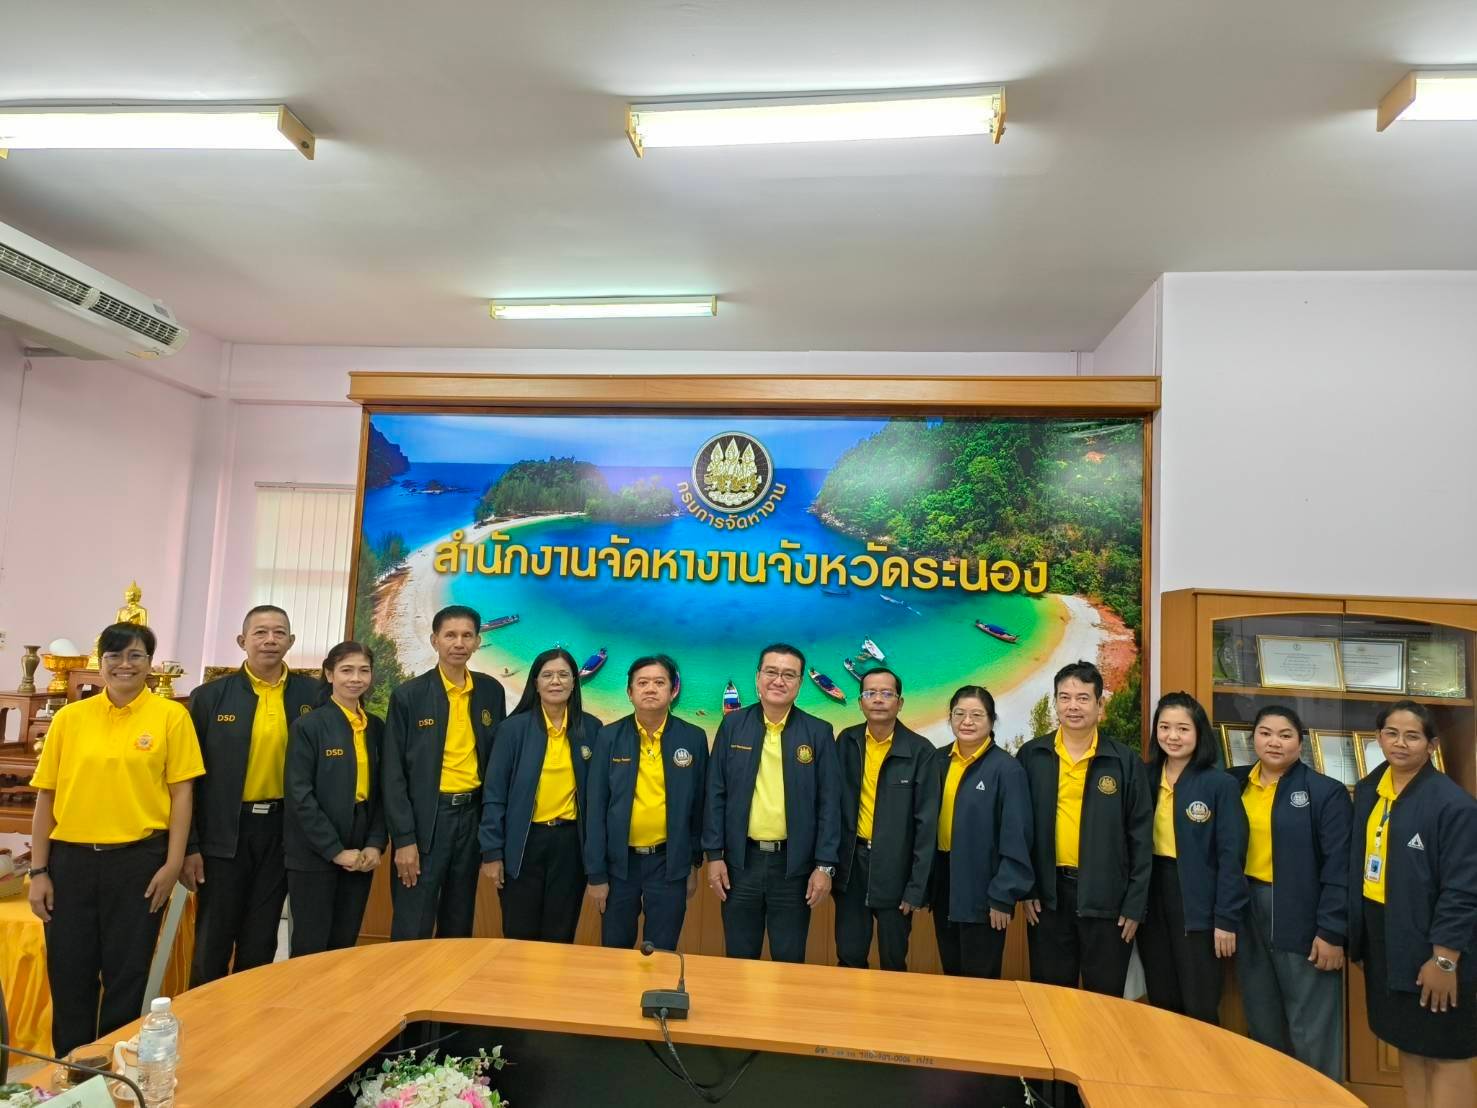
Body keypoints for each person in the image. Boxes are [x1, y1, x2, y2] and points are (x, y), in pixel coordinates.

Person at [27, 623, 204, 1056]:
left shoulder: (171, 717)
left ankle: (114, 1067)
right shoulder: (70, 718)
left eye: (136, 655)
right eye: (115, 656)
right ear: (100, 662)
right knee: (69, 972)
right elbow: (46, 797)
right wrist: (39, 870)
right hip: (71, 863)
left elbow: (182, 795)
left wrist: (172, 863)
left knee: (127, 975)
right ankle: (71, 1069)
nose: (125, 664)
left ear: (150, 663)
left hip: (138, 862)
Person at [184, 605, 321, 985]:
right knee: (213, 938)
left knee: (261, 940)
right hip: (224, 834)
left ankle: (249, 1015)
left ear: (291, 641)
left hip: (282, 832)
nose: (270, 640)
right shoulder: (209, 697)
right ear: (242, 641)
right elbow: (186, 779)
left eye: (279, 633)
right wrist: (190, 845)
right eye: (260, 632)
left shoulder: (313, 695)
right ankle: (202, 1016)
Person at [1349, 701, 1477, 1108]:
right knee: (1407, 1041)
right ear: (1378, 737)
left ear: (1432, 745)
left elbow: (1463, 890)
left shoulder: (1453, 805)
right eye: (1391, 733)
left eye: (1412, 736)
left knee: (1447, 1050)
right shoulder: (1370, 790)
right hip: (1386, 937)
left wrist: (1444, 960)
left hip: (1434, 946)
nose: (1400, 743)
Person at [1228, 704, 1350, 1081]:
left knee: (1311, 1027)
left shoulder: (1325, 792)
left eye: (1285, 735)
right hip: (1246, 908)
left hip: (1301, 913)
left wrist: (1332, 930)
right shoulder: (1233, 784)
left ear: (1301, 742)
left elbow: (1339, 867)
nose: (1274, 742)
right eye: (1265, 733)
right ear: (1252, 738)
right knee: (1261, 1018)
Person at [1018, 660, 1151, 996]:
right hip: (1048, 900)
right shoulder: (1032, 755)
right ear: (1055, 702)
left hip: (1109, 903)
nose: (1072, 706)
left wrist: (1135, 905)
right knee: (1050, 999)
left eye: (1082, 698)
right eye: (1064, 697)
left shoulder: (1124, 761)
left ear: (1099, 704)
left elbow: (1140, 837)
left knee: (1103, 1003)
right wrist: (1027, 889)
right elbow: (1018, 831)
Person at [703, 643, 840, 963]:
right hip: (739, 864)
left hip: (794, 868)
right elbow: (715, 793)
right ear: (757, 678)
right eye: (771, 672)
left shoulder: (818, 732)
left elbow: (830, 804)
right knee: (739, 958)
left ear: (800, 683)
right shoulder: (733, 725)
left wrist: (824, 866)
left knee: (789, 961)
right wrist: (714, 856)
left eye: (789, 675)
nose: (779, 680)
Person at [382, 605, 506, 940]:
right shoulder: (409, 696)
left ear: (478, 641)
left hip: (471, 819)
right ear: (434, 640)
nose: (459, 643)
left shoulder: (490, 691)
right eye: (450, 635)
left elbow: (498, 764)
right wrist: (404, 840)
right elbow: (392, 773)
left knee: (458, 919)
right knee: (413, 922)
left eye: (467, 635)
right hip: (427, 821)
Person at [584, 655, 707, 951]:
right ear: (630, 692)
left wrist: (693, 864)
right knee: (615, 949)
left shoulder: (693, 738)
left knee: (662, 950)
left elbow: (699, 807)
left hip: (669, 864)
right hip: (619, 866)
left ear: (673, 690)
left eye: (659, 682)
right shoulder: (609, 737)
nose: (650, 689)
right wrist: (596, 874)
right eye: (642, 683)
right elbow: (595, 808)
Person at [1138, 692, 1248, 1024]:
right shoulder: (1144, 777)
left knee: (1200, 1004)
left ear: (1199, 733)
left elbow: (1231, 856)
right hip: (1151, 897)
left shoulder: (1219, 784)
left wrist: (1225, 918)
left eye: (1183, 729)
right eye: (1164, 727)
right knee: (1161, 998)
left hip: (1198, 903)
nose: (1172, 736)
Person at [481, 648, 603, 942]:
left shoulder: (592, 729)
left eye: (563, 675)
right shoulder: (512, 730)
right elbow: (494, 794)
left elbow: (600, 799)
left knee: (560, 933)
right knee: (519, 932)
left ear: (574, 682)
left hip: (570, 846)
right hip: (523, 844)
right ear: (535, 683)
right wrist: (492, 852)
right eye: (547, 675)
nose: (555, 681)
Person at [833, 667, 940, 972]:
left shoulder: (921, 751)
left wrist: (916, 887)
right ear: (860, 702)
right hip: (852, 869)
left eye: (886, 693)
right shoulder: (847, 741)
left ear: (900, 702)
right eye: (870, 693)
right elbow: (830, 807)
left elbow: (926, 827)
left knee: (893, 961)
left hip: (897, 872)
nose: (878, 699)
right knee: (849, 956)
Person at [284, 642, 386, 956]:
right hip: (314, 849)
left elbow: (384, 791)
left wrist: (375, 843)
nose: (356, 678)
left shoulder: (376, 727)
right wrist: (335, 851)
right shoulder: (309, 726)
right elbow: (300, 795)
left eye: (364, 671)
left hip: (361, 843)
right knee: (311, 946)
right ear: (329, 674)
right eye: (346, 670)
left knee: (344, 944)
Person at [929, 685, 1033, 979]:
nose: (967, 721)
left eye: (976, 715)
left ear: (991, 720)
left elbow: (1017, 837)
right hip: (944, 883)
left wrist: (1003, 896)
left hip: (985, 889)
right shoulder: (937, 761)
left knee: (980, 982)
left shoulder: (1007, 769)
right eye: (959, 714)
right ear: (950, 718)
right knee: (952, 976)